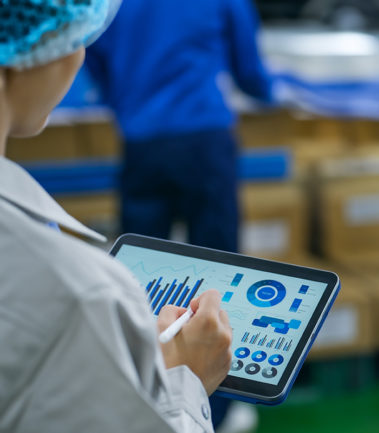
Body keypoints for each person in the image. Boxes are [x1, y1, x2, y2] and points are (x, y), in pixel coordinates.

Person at [0, 1, 233, 432]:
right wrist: (188, 386)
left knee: (147, 250)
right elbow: (248, 63)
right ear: (44, 47)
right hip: (205, 136)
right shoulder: (80, 293)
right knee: (216, 266)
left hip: (141, 135)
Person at [83, 4, 274, 427]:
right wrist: (269, 91)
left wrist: (129, 101)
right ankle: (216, 409)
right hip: (203, 139)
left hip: (142, 142)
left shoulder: (113, 4)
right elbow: (251, 72)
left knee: (137, 278)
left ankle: (140, 396)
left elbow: (87, 51)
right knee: (223, 277)